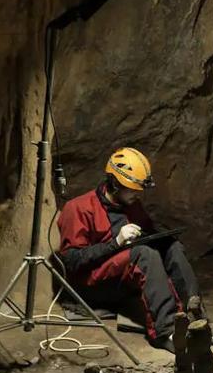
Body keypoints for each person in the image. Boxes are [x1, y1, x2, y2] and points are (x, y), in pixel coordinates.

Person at [56, 147, 200, 352]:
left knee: (172, 247)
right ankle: (166, 332)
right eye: (132, 188)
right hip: (94, 288)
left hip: (125, 280)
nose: (137, 194)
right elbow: (71, 261)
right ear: (114, 183)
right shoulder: (78, 208)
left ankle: (196, 320)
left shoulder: (131, 204)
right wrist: (116, 242)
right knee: (144, 255)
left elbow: (147, 235)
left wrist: (163, 240)